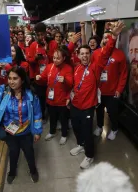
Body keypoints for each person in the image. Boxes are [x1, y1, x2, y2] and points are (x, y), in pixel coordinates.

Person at [68, 21, 125, 169]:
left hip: (87, 107)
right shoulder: (76, 68)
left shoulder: (96, 67)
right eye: (82, 54)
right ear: (78, 56)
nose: (85, 56)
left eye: (87, 53)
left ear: (90, 55)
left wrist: (113, 36)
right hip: (75, 105)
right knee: (76, 128)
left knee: (87, 132)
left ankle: (89, 155)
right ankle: (80, 145)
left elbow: (106, 53)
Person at [0, 66, 43, 184]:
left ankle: (33, 170)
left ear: (23, 80)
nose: (11, 81)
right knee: (13, 153)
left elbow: (37, 114)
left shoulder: (31, 95)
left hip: (26, 132)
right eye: (9, 78)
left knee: (29, 153)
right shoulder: (3, 91)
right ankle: (12, 171)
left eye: (15, 78)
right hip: (10, 132)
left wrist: (37, 131)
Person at [93, 30, 128, 140]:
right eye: (104, 38)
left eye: (109, 37)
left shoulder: (120, 54)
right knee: (99, 111)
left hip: (113, 91)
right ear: (102, 40)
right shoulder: (96, 53)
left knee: (113, 113)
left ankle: (114, 129)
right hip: (99, 90)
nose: (106, 40)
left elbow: (123, 74)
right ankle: (99, 126)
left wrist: (119, 89)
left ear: (113, 39)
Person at [36, 45, 73, 145]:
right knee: (52, 118)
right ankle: (52, 132)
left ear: (64, 58)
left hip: (62, 100)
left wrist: (65, 80)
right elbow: (44, 77)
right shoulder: (49, 66)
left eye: (58, 58)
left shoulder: (68, 68)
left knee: (63, 119)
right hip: (51, 99)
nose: (55, 60)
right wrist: (39, 77)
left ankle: (64, 135)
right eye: (54, 58)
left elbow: (71, 83)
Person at [27, 22, 49, 122]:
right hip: (38, 78)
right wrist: (35, 58)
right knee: (40, 98)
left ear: (45, 33)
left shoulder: (51, 43)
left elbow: (56, 60)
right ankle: (42, 115)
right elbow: (29, 61)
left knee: (49, 97)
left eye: (42, 34)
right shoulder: (33, 45)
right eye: (38, 35)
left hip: (49, 76)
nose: (40, 37)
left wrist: (47, 51)